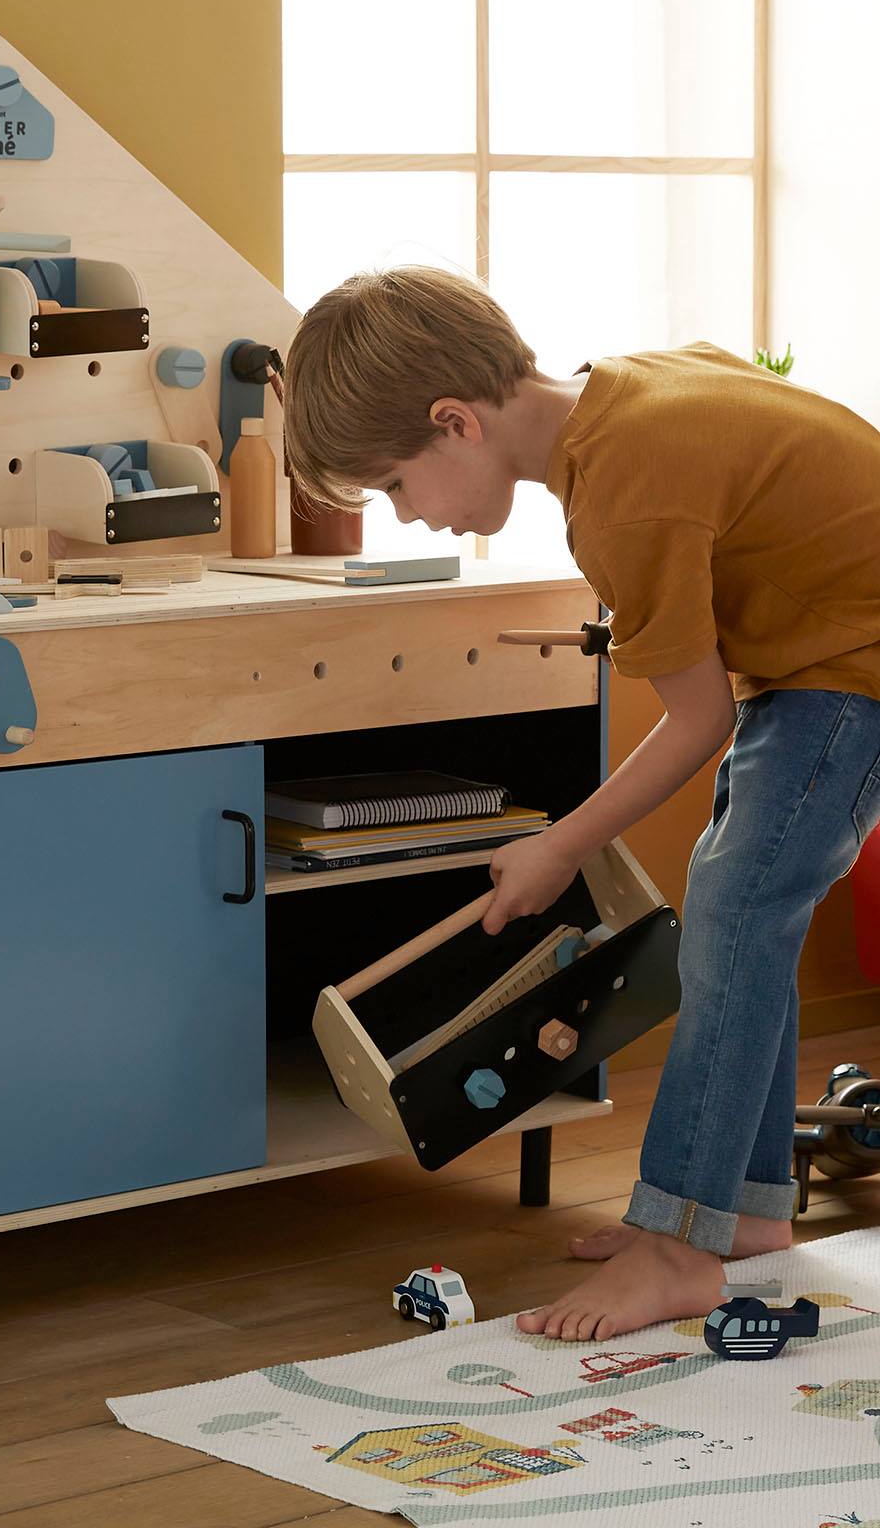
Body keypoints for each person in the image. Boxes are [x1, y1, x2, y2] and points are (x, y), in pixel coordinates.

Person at [280, 264, 880, 1342]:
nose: (411, 515)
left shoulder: (622, 494)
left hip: (854, 664)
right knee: (745, 909)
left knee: (739, 906)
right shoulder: (628, 393)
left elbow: (695, 718)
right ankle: (743, 1210)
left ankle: (680, 1247)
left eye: (397, 486)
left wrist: (559, 845)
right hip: (816, 659)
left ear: (455, 422)